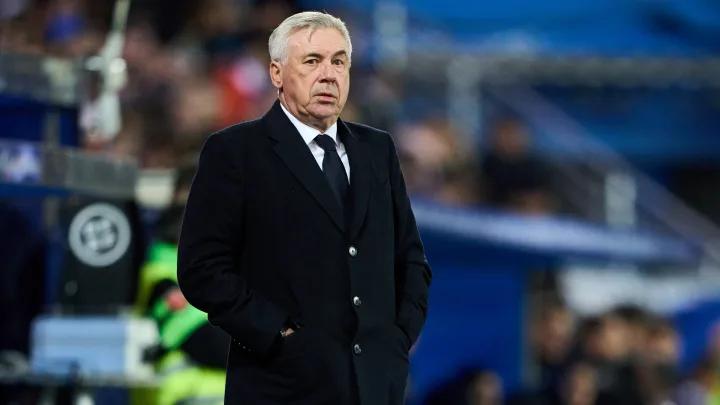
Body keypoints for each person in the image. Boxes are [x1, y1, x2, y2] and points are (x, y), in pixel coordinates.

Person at [177, 11, 432, 405]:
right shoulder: (236, 152)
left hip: (373, 389)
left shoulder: (377, 150)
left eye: (339, 61)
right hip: (280, 387)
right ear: (276, 73)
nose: (328, 75)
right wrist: (277, 333)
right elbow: (202, 269)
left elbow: (410, 259)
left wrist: (398, 336)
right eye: (312, 61)